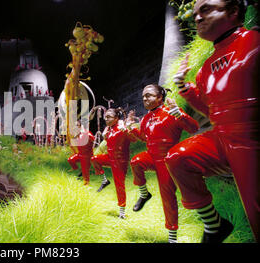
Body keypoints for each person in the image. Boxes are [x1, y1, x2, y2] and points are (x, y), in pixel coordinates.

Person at [165, 0, 259, 243]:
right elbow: (210, 110)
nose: (197, 18)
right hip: (224, 137)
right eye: (195, 13)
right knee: (178, 158)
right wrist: (184, 88)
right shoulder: (205, 69)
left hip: (251, 135)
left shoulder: (253, 41)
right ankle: (214, 225)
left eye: (206, 9)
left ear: (234, 11)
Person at [126, 84, 199, 243]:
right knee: (136, 161)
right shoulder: (146, 118)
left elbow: (194, 127)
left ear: (160, 97)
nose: (145, 98)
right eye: (144, 96)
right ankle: (144, 194)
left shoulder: (170, 113)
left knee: (168, 196)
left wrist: (179, 113)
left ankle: (172, 237)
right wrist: (131, 127)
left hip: (167, 160)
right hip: (151, 156)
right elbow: (144, 138)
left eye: (149, 95)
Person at [90, 107, 137, 219]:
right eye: (105, 117)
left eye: (109, 117)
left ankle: (122, 212)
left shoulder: (122, 128)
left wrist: (125, 130)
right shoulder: (109, 130)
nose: (106, 119)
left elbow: (134, 139)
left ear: (116, 118)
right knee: (94, 159)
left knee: (119, 185)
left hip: (120, 161)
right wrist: (105, 136)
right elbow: (108, 143)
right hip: (110, 158)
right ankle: (104, 180)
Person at [67, 121, 96, 186]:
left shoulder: (87, 133)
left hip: (86, 156)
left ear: (80, 126)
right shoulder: (78, 134)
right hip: (80, 154)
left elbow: (93, 139)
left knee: (85, 170)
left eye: (77, 125)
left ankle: (86, 183)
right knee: (71, 160)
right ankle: (78, 170)